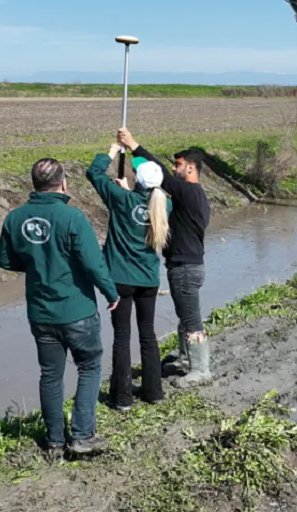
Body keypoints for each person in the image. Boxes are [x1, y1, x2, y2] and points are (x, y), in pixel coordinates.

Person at [0, 157, 120, 458]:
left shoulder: (15, 218)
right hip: (77, 310)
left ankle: (53, 441)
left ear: (34, 184)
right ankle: (81, 435)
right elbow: (93, 264)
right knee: (89, 367)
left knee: (50, 374)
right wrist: (111, 292)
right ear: (63, 183)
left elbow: (4, 260)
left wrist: (38, 264)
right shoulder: (72, 218)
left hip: (40, 313)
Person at [116, 127, 212, 387]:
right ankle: (184, 359)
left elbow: (159, 174)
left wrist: (134, 146)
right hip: (189, 266)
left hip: (185, 268)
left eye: (178, 165)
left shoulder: (188, 191)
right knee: (185, 314)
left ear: (191, 167)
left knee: (191, 318)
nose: (174, 168)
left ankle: (201, 370)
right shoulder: (195, 196)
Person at [85, 144, 172, 410]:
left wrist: (110, 152)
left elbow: (94, 173)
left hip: (120, 279)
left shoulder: (122, 199)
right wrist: (128, 189)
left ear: (137, 181)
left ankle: (122, 398)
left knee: (122, 336)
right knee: (148, 334)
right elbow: (143, 206)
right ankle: (153, 392)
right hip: (148, 279)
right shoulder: (164, 205)